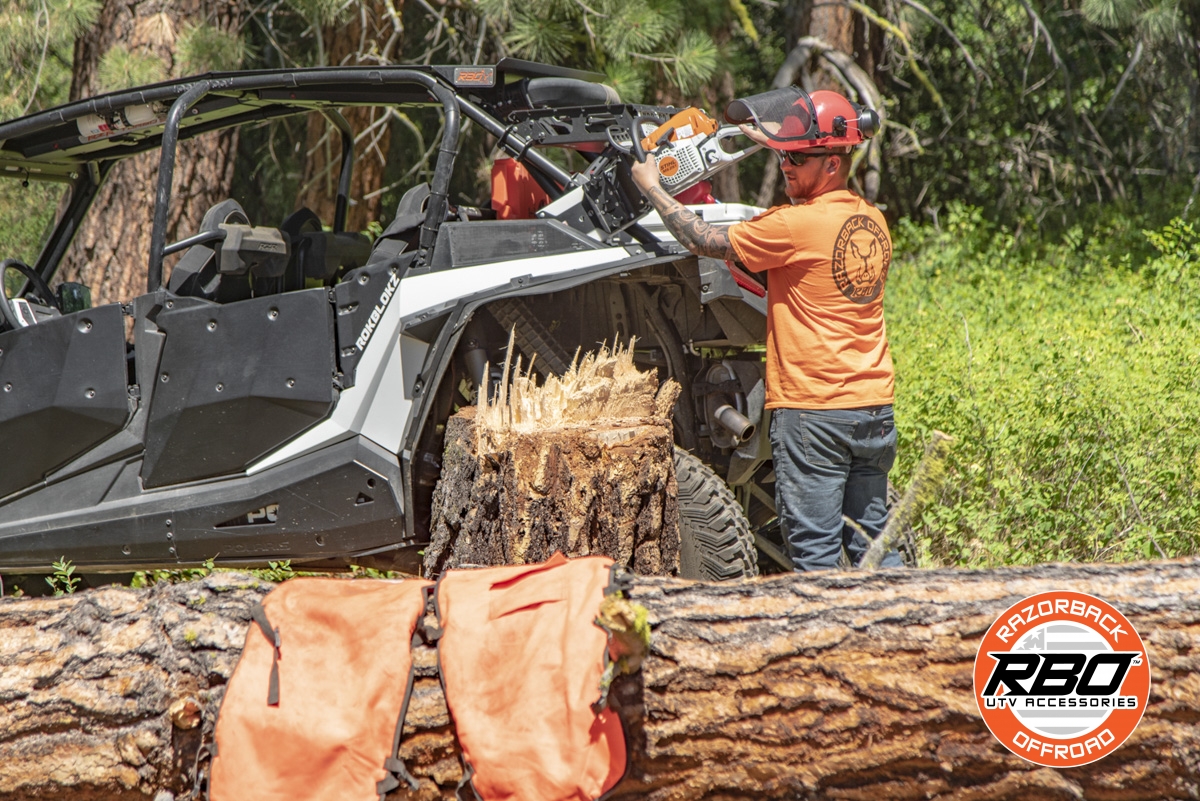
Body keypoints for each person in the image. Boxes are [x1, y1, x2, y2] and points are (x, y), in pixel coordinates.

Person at [630, 87, 902, 571]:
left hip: (814, 412)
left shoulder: (795, 226)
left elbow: (699, 237)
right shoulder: (873, 221)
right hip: (873, 407)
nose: (786, 168)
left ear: (833, 164)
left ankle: (823, 646)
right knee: (874, 548)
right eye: (783, 158)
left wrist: (651, 184)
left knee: (815, 556)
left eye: (797, 159)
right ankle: (905, 635)